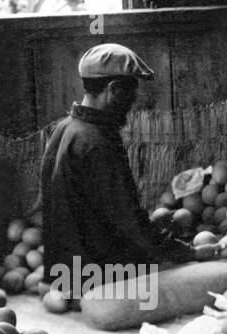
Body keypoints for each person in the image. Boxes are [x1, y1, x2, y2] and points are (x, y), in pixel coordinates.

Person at [39, 43, 195, 305]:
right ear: (113, 90)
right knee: (187, 278)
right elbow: (126, 220)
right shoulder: (97, 141)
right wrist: (184, 253)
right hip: (97, 276)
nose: (132, 105)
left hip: (64, 271)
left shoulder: (64, 128)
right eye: (130, 95)